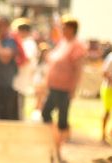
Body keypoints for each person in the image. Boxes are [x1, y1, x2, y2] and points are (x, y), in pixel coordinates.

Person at [42, 16, 86, 149]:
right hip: (54, 86)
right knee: (46, 112)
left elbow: (78, 69)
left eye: (64, 27)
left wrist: (73, 89)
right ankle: (54, 140)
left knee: (61, 117)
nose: (62, 30)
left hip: (64, 88)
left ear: (72, 29)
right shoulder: (63, 42)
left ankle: (58, 145)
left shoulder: (77, 45)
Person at [12, 19, 38, 119]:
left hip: (21, 80)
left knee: (19, 108)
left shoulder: (29, 43)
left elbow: (26, 60)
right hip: (18, 80)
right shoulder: (23, 42)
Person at [102, 50, 112, 143]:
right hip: (108, 89)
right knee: (107, 111)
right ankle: (103, 135)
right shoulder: (110, 57)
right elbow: (104, 72)